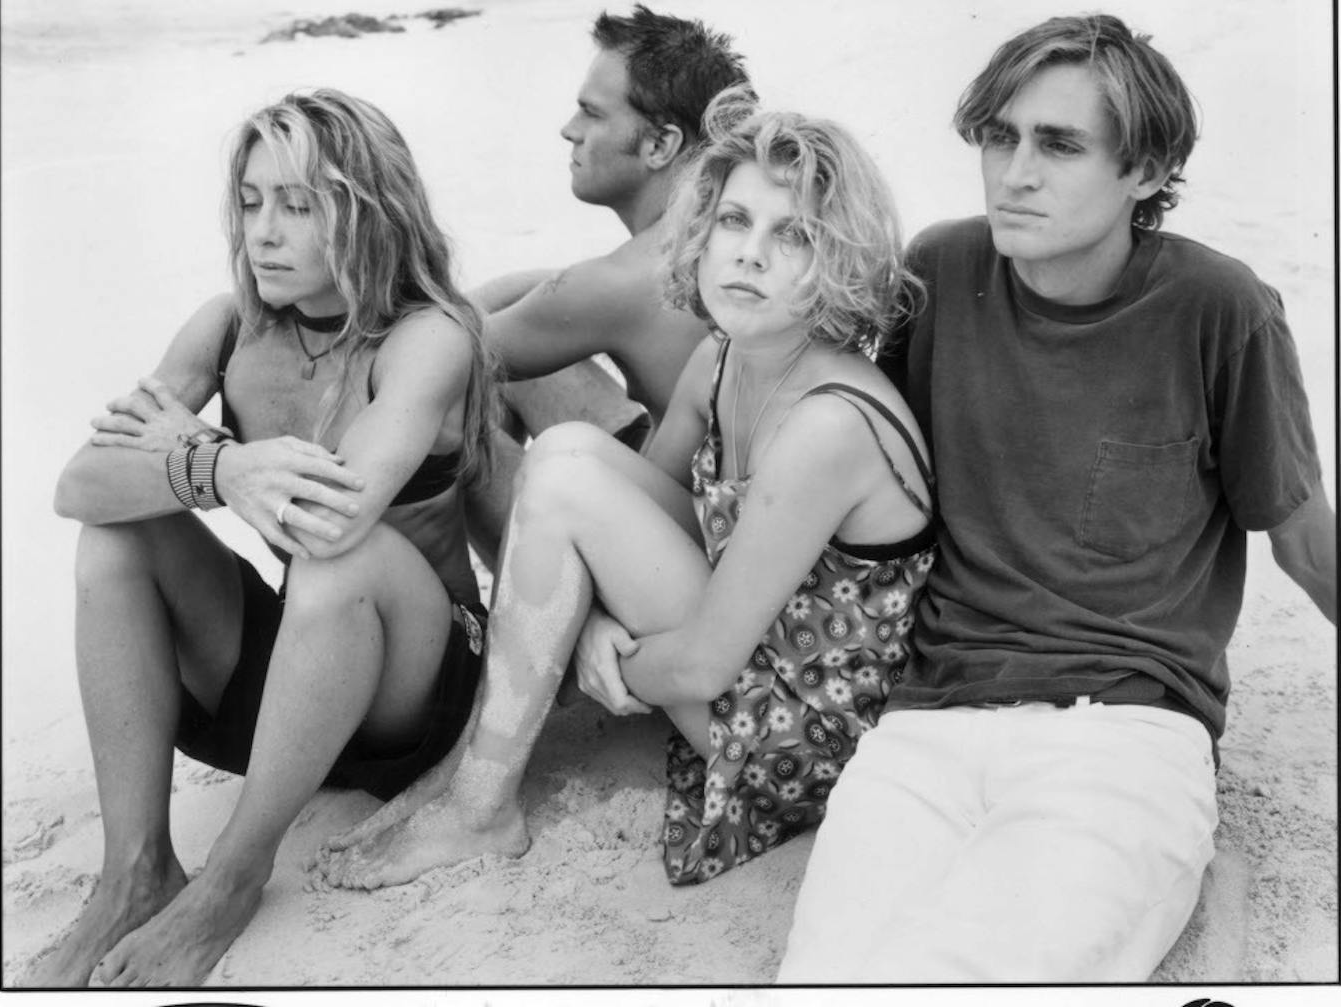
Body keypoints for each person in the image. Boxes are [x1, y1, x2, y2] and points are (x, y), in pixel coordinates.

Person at [777, 14, 1338, 984]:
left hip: (1122, 729)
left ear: (1146, 168)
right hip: (924, 722)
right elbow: (861, 477)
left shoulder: (1221, 310)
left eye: (1057, 144)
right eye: (998, 136)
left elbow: (1301, 542)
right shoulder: (941, 272)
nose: (1013, 171)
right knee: (823, 980)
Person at [316, 91, 937, 891]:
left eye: (794, 236)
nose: (749, 254)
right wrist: (592, 611)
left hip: (806, 737)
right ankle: (482, 769)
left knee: (570, 474)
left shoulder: (829, 424)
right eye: (734, 221)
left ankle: (480, 801)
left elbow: (705, 665)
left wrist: (592, 652)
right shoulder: (723, 358)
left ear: (839, 263)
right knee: (569, 452)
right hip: (754, 654)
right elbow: (652, 506)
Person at [32, 89, 496, 988]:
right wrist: (219, 468)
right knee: (117, 538)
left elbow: (336, 514)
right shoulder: (230, 325)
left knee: (335, 554)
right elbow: (78, 483)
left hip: (415, 685)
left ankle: (234, 877)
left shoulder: (427, 335)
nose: (263, 233)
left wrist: (194, 454)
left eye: (297, 205)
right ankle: (136, 869)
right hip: (298, 679)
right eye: (249, 202)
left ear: (368, 210)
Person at [463, 3, 751, 564]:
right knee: (520, 373)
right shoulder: (727, 233)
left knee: (449, 416)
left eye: (591, 113)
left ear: (659, 145)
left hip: (690, 562)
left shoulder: (624, 281)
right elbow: (561, 296)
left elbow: (432, 355)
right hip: (711, 507)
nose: (569, 130)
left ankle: (506, 608)